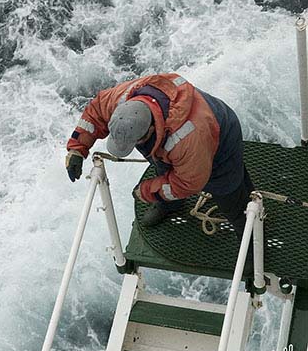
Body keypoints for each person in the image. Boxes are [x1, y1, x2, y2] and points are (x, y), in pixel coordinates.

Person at [65, 73, 254, 269]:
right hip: (172, 143)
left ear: (149, 131)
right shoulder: (122, 101)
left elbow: (189, 183)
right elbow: (96, 111)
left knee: (228, 191)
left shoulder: (187, 138)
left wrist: (147, 191)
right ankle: (171, 206)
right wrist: (77, 149)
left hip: (219, 137)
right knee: (164, 168)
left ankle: (250, 234)